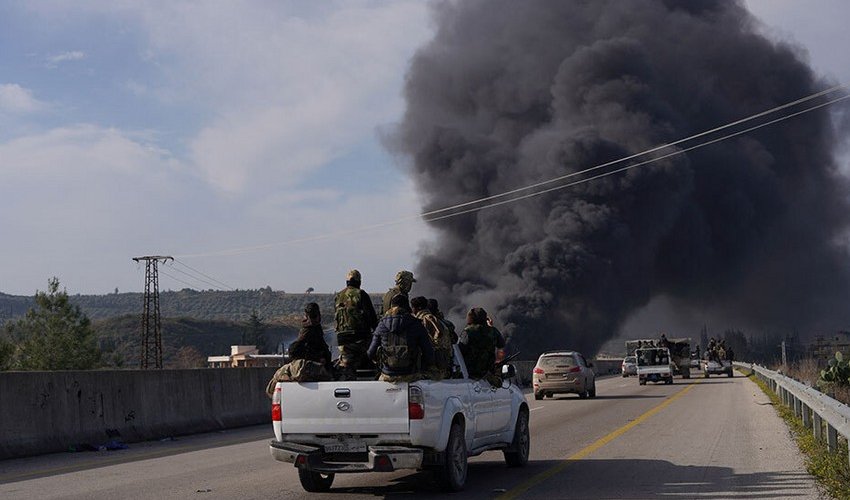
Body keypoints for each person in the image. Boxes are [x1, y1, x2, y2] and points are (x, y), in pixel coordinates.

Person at [265, 303, 333, 396]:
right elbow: (294, 350)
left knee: (274, 384)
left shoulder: (312, 330)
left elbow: (293, 351)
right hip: (308, 365)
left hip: (309, 366)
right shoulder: (310, 330)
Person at [368, 294, 435, 383]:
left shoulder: (382, 325)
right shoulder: (416, 324)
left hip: (387, 375)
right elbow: (429, 354)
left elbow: (370, 353)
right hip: (411, 375)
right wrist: (421, 368)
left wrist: (381, 365)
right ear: (407, 307)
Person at [334, 269, 379, 380]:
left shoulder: (338, 296)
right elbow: (372, 318)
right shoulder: (361, 294)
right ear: (359, 282)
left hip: (342, 341)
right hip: (360, 339)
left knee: (347, 366)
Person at [458, 307, 505, 386]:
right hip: (487, 372)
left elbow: (460, 350)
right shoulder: (493, 331)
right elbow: (501, 344)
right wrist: (490, 327)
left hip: (470, 372)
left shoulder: (468, 331)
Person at [411, 296, 453, 379]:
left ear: (418, 308)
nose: (412, 310)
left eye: (413, 307)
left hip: (432, 364)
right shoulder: (435, 319)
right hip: (442, 362)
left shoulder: (425, 319)